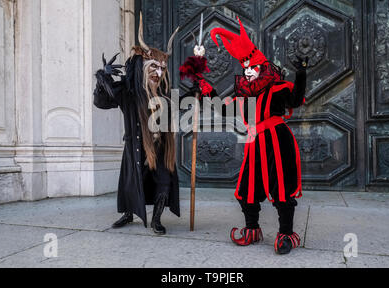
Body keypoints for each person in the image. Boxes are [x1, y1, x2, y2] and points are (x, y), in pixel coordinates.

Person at [185, 16, 308, 255]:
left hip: (277, 140)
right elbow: (221, 108)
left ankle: (286, 234)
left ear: (262, 67)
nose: (248, 71)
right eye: (246, 68)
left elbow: (295, 100)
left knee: (281, 189)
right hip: (255, 143)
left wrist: (301, 73)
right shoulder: (243, 97)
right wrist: (202, 84)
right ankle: (252, 229)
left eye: (252, 67)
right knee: (247, 188)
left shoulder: (278, 87)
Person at [93, 13, 180, 235]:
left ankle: (157, 219)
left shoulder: (166, 94)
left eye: (162, 69)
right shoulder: (129, 93)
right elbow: (102, 103)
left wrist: (198, 92)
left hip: (161, 148)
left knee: (163, 180)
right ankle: (128, 213)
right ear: (144, 67)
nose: (158, 73)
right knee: (132, 182)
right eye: (154, 67)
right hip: (135, 146)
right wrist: (103, 80)